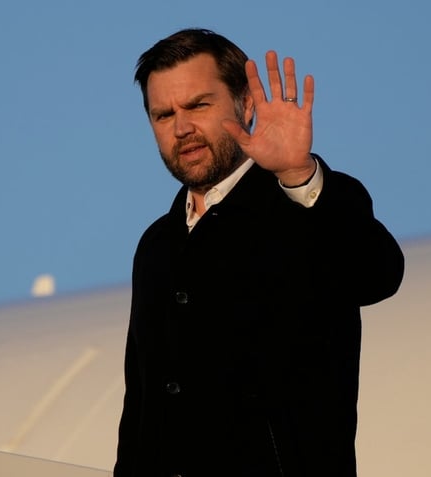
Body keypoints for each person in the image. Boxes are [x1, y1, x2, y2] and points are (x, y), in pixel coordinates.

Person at [115, 28, 404, 477]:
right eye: (163, 114)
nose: (182, 127)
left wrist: (297, 172)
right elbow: (140, 410)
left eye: (198, 105)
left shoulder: (302, 204)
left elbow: (378, 274)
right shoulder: (156, 247)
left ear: (246, 104)